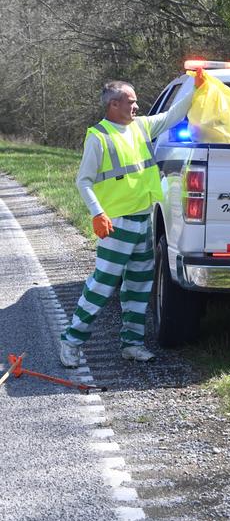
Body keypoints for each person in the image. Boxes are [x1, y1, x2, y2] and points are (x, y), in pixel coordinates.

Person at [60, 69, 204, 367]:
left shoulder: (141, 127)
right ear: (114, 104)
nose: (136, 106)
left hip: (143, 221)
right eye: (131, 101)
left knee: (139, 285)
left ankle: (132, 345)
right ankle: (71, 342)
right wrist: (98, 213)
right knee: (102, 285)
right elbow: (83, 181)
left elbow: (174, 114)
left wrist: (197, 85)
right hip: (116, 223)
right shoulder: (98, 137)